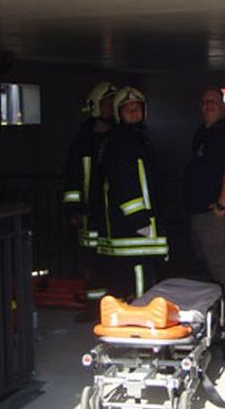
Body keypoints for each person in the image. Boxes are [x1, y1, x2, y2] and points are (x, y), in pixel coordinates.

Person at [93, 86, 169, 299]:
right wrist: (139, 220)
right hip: (132, 229)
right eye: (128, 110)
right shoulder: (123, 142)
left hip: (133, 228)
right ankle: (138, 318)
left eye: (137, 108)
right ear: (119, 114)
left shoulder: (134, 140)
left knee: (136, 277)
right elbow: (123, 183)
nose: (134, 113)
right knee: (137, 281)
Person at [62, 81, 117, 313]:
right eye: (106, 104)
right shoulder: (83, 140)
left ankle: (113, 305)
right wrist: (73, 209)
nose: (110, 108)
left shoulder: (119, 137)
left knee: (112, 260)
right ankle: (95, 307)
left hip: (112, 212)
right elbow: (72, 177)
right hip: (90, 213)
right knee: (92, 261)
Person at [184, 88, 225, 302]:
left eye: (214, 102)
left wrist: (221, 205)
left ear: (224, 106)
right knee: (206, 263)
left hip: (216, 214)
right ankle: (212, 308)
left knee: (219, 264)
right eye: (205, 101)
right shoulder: (202, 132)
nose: (208, 105)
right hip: (200, 212)